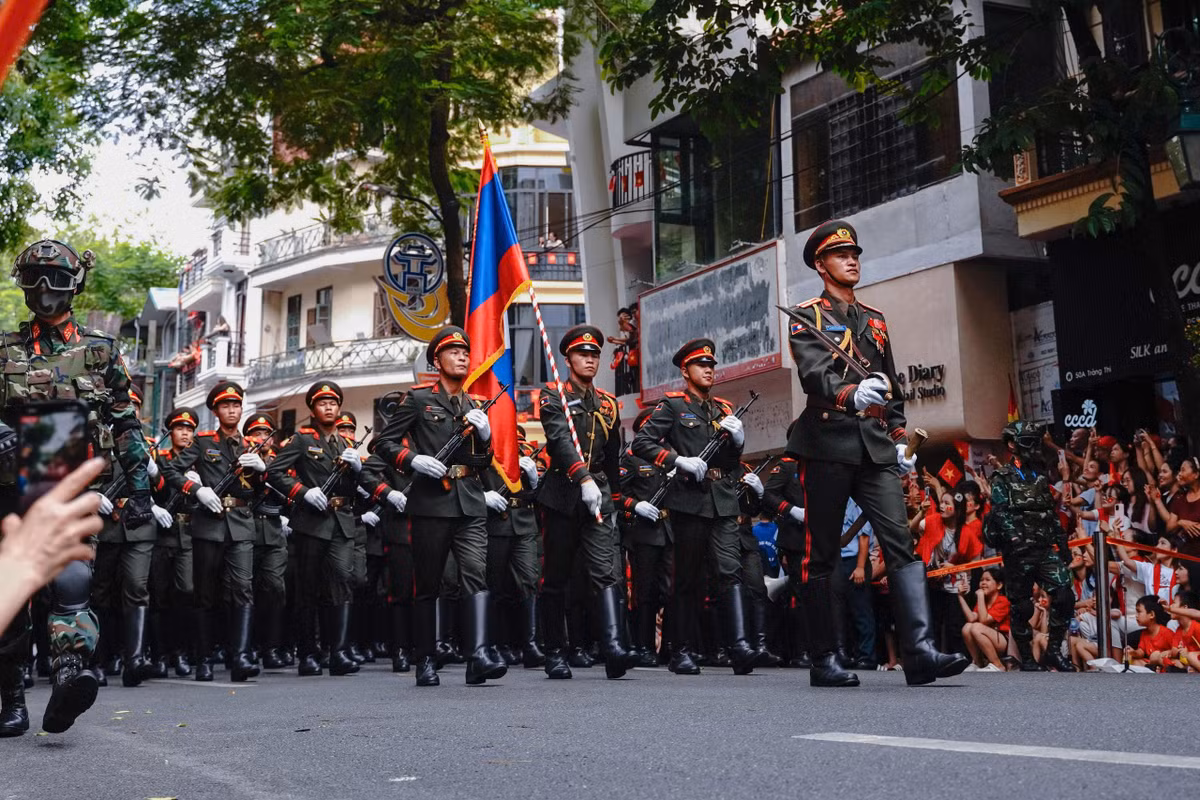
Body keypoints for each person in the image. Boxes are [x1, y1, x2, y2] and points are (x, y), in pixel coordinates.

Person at [783, 220, 967, 687]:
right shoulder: (807, 316)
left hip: (875, 447)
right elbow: (815, 376)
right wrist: (850, 395)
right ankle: (825, 658)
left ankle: (919, 653)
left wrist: (901, 438)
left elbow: (892, 387)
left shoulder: (876, 319)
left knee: (900, 543)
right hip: (827, 441)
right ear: (821, 265)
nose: (852, 260)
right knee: (822, 552)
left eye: (855, 254)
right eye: (841, 255)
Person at [0, 240, 154, 734]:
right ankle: (11, 697)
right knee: (13, 592)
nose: (45, 290)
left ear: (74, 284)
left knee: (71, 583)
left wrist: (140, 489)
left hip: (67, 483)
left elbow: (126, 423)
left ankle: (70, 673)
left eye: (56, 278)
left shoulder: (101, 351)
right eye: (36, 278)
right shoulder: (3, 349)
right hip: (9, 488)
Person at [370, 327, 506, 687]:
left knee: (475, 572)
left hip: (470, 501)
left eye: (466, 352)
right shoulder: (417, 400)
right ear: (437, 360)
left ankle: (478, 654)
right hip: (431, 501)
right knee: (427, 582)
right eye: (454, 352)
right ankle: (426, 658)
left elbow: (481, 462)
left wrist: (486, 435)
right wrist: (412, 459)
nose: (463, 357)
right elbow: (382, 443)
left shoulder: (475, 405)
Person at [633, 338, 766, 676]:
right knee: (688, 577)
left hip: (722, 498)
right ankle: (682, 649)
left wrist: (738, 441)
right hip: (689, 499)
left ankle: (739, 646)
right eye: (701, 365)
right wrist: (680, 460)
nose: (709, 369)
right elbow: (642, 442)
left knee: (728, 570)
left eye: (711, 365)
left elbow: (731, 461)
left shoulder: (723, 409)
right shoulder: (674, 406)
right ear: (685, 371)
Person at [537, 324, 637, 680]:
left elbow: (612, 456)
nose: (590, 360)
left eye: (595, 355)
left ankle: (613, 648)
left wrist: (615, 497)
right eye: (583, 354)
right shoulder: (553, 396)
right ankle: (554, 652)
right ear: (568, 359)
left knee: (605, 571)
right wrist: (582, 477)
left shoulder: (608, 404)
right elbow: (560, 440)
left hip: (598, 496)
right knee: (557, 575)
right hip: (564, 492)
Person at [161, 382, 262, 683]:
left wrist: (262, 469)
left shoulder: (249, 447)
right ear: (216, 411)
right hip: (209, 524)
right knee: (206, 593)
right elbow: (171, 471)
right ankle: (204, 658)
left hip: (242, 524)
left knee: (243, 588)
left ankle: (241, 656)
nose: (232, 410)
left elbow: (258, 491)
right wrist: (197, 489)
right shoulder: (203, 442)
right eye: (226, 406)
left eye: (237, 405)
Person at [266, 381, 363, 678]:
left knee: (343, 584)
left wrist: (358, 469)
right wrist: (302, 492)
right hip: (312, 522)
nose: (329, 407)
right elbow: (274, 472)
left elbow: (356, 489)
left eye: (333, 402)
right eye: (323, 403)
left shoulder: (346, 446)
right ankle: (308, 652)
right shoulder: (300, 439)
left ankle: (338, 652)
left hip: (341, 522)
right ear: (313, 409)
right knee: (308, 589)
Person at [985, 421, 1075, 672]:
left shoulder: (1039, 474)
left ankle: (1054, 650)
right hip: (1018, 552)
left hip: (1045, 547)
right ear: (1012, 444)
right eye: (1027, 442)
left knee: (1064, 594)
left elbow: (1051, 512)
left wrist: (1063, 544)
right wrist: (1013, 538)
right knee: (1022, 605)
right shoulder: (1002, 477)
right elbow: (1000, 512)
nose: (1032, 447)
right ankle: (1026, 656)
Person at [481, 426, 545, 668]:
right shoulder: (485, 451)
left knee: (529, 580)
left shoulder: (527, 454)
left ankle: (530, 644)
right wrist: (484, 495)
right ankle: (496, 645)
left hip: (524, 522)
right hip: (497, 522)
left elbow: (537, 494)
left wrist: (534, 479)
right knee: (495, 586)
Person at [617, 407, 672, 668]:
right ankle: (644, 646)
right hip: (644, 531)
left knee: (672, 591)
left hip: (670, 530)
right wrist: (635, 505)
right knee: (645, 592)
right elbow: (618, 494)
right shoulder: (630, 457)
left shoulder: (672, 455)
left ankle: (672, 646)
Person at [147, 407, 200, 678]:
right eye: (180, 429)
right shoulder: (161, 458)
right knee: (159, 595)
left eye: (190, 430)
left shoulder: (198, 462)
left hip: (189, 532)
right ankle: (159, 655)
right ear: (171, 432)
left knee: (186, 592)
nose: (185, 434)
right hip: (163, 533)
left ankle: (181, 652)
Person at [242, 413, 289, 670]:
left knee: (274, 588)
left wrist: (268, 471)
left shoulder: (279, 462)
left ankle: (271, 647)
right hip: (246, 529)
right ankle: (244, 647)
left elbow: (289, 491)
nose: (263, 438)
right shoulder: (241, 461)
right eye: (257, 433)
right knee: (244, 590)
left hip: (272, 531)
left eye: (266, 433)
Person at [958, 568, 1011, 672]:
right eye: (981, 580)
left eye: (987, 580)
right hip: (986, 637)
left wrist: (980, 596)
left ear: (999, 585)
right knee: (967, 627)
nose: (983, 583)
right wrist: (960, 596)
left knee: (976, 627)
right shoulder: (983, 602)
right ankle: (978, 663)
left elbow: (983, 621)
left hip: (1003, 641)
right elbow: (971, 618)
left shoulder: (1003, 601)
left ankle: (998, 665)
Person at [1125, 595, 1178, 669]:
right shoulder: (1144, 633)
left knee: (1155, 655)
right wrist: (1133, 652)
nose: (1136, 616)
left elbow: (1176, 650)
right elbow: (1141, 652)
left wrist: (1165, 654)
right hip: (1150, 664)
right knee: (1135, 661)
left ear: (1152, 615)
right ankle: (1152, 668)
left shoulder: (1166, 633)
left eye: (1139, 612)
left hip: (1165, 662)